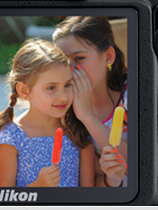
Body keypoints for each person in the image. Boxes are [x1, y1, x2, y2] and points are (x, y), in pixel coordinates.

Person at [0, 39, 95, 187]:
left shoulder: (78, 134)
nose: (63, 96)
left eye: (67, 85)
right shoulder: (11, 138)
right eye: (51, 88)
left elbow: (88, 198)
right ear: (24, 91)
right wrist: (38, 186)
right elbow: (2, 200)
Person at [53, 16, 128, 187]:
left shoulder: (133, 94)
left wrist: (87, 116)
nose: (70, 68)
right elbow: (93, 181)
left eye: (79, 58)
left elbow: (141, 164)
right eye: (63, 60)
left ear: (108, 56)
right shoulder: (61, 107)